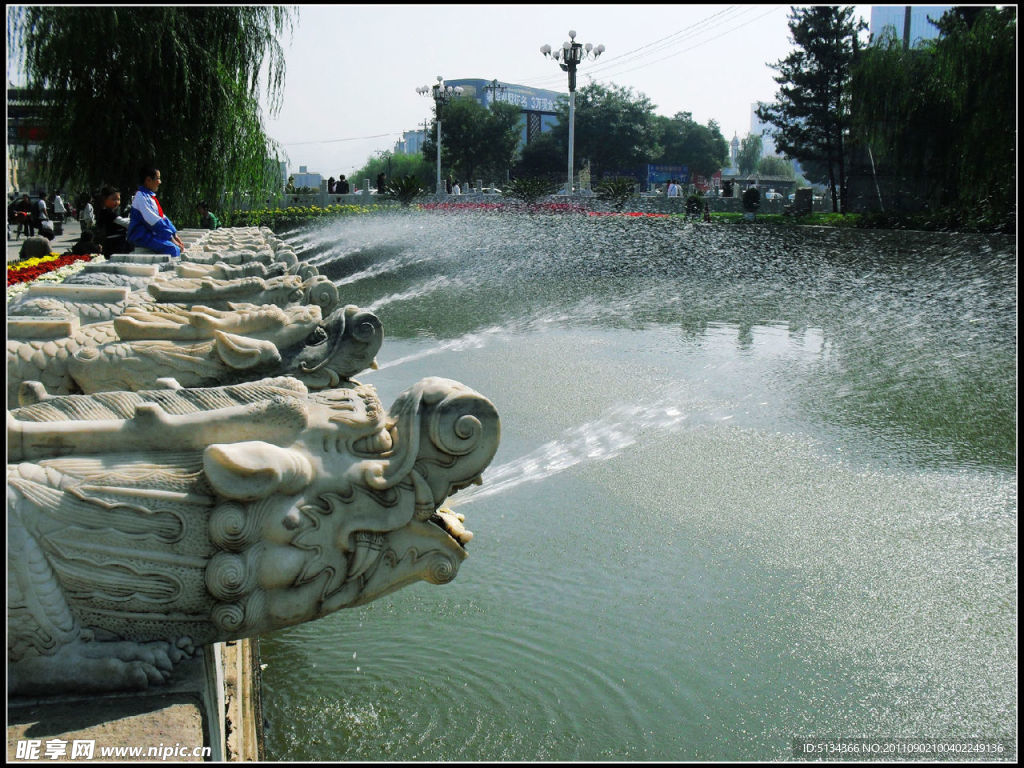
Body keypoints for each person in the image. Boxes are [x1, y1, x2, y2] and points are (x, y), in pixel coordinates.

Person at [127, 166, 186, 257]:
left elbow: (162, 217)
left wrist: (174, 234)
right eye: (158, 178)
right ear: (148, 180)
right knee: (173, 249)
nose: (160, 182)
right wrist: (171, 239)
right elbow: (153, 220)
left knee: (176, 247)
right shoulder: (140, 197)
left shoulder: (149, 197)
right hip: (140, 235)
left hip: (149, 233)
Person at [94, 185, 134, 258]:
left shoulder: (111, 212)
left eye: (118, 199)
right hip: (114, 245)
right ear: (104, 199)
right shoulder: (107, 213)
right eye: (114, 199)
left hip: (117, 243)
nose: (117, 202)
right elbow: (123, 222)